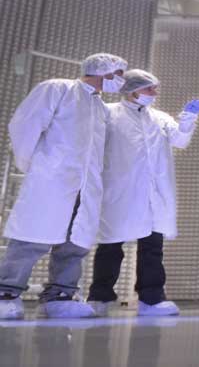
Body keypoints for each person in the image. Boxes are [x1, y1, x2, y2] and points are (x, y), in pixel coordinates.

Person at [0, 53, 128, 320]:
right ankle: (6, 291)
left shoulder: (101, 108)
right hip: (52, 180)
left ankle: (60, 294)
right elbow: (25, 125)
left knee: (75, 242)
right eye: (118, 73)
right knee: (31, 238)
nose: (121, 80)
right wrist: (36, 166)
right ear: (101, 71)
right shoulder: (58, 89)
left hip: (86, 185)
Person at [86, 70, 199, 317]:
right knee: (110, 246)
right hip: (119, 190)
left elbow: (180, 141)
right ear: (133, 90)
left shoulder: (159, 118)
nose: (154, 93)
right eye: (150, 89)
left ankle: (151, 298)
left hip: (153, 193)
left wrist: (188, 118)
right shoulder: (108, 113)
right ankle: (99, 297)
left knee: (152, 247)